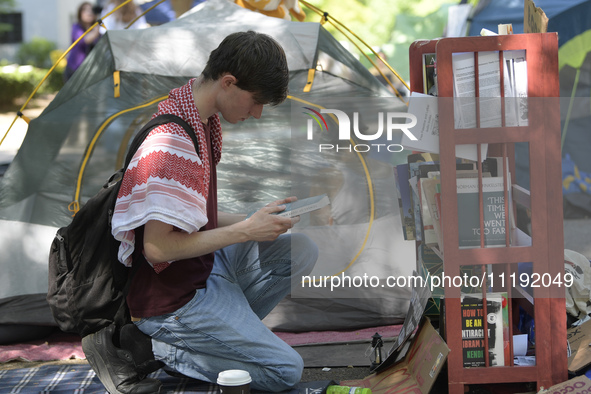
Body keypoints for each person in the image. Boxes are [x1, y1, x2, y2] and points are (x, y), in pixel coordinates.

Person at [82, 31, 318, 393]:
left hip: (205, 270)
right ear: (228, 83)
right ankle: (161, 350)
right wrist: (246, 232)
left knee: (300, 249)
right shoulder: (171, 143)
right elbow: (158, 248)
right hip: (171, 301)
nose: (256, 114)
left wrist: (254, 219)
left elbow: (195, 220)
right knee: (286, 369)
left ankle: (217, 336)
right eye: (255, 102)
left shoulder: (198, 118)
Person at [64, 2, 101, 81]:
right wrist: (97, 28)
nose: (89, 12)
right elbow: (84, 40)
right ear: (80, 13)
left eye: (91, 10)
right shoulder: (76, 27)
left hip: (89, 71)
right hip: (74, 70)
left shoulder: (97, 29)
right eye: (85, 10)